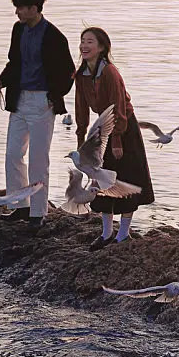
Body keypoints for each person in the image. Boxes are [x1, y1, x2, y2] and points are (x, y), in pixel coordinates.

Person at [0, 0, 75, 229]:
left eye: (20, 8)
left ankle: (38, 212)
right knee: (13, 154)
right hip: (19, 99)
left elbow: (69, 73)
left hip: (42, 101)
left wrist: (54, 96)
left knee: (39, 158)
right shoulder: (18, 30)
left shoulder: (55, 36)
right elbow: (14, 62)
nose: (16, 12)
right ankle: (19, 206)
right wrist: (1, 80)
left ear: (33, 8)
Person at [74, 27, 154, 250]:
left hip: (124, 129)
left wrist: (117, 140)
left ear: (101, 47)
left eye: (90, 42)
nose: (84, 46)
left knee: (127, 180)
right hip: (102, 129)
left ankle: (123, 234)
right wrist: (82, 140)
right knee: (102, 182)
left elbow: (118, 106)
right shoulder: (81, 75)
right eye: (82, 41)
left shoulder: (110, 72)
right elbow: (80, 109)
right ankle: (107, 233)